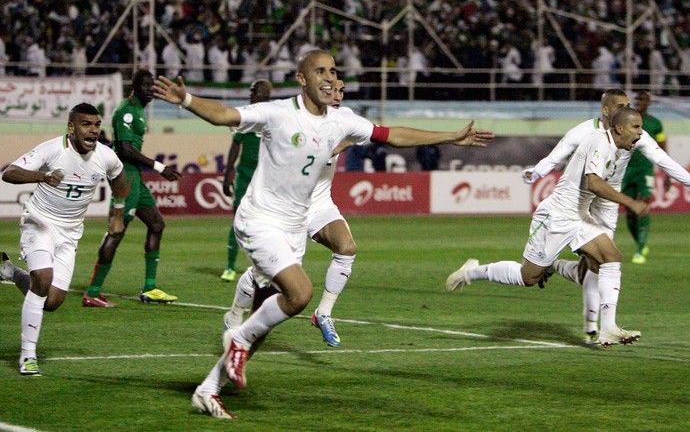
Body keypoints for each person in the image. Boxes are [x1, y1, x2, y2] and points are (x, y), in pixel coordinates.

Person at [152, 49, 494, 419]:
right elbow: (224, 115)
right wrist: (184, 99)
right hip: (260, 220)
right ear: (302, 79)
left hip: (296, 227)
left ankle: (209, 387)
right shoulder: (278, 113)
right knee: (300, 293)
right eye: (320, 71)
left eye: (333, 69)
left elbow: (392, 135)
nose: (329, 77)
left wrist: (450, 136)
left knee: (266, 321)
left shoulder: (342, 121)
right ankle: (239, 334)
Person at [446, 106, 649, 348]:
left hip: (579, 217)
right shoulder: (598, 142)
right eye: (636, 127)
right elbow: (593, 183)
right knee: (528, 277)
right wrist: (630, 203)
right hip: (555, 217)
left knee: (610, 257)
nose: (640, 132)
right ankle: (472, 272)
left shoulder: (614, 150)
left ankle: (608, 329)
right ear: (619, 128)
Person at [520, 89, 690, 344]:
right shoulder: (586, 133)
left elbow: (664, 161)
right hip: (583, 194)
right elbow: (559, 153)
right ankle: (593, 325)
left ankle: (596, 327)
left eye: (627, 104)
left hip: (607, 199)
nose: (625, 109)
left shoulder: (634, 132)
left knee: (602, 263)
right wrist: (536, 172)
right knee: (598, 261)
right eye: (620, 105)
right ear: (606, 111)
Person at [223, 71, 355, 348]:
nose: (338, 96)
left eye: (341, 91)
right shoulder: (299, 119)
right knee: (265, 273)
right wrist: (336, 145)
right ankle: (234, 318)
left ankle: (324, 313)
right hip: (288, 207)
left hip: (319, 204)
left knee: (346, 247)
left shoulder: (346, 118)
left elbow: (387, 135)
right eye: (332, 90)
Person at [0, 103, 128, 376]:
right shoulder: (52, 149)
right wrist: (42, 176)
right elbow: (9, 172)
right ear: (71, 128)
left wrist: (118, 213)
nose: (93, 130)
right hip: (39, 223)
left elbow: (119, 178)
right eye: (86, 124)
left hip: (70, 234)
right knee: (43, 279)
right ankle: (28, 355)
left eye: (96, 124)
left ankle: (9, 271)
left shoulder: (105, 156)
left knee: (52, 301)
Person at [82, 69, 182, 308]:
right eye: (145, 84)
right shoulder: (127, 110)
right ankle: (93, 292)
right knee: (117, 230)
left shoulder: (139, 110)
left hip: (134, 174)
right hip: (124, 174)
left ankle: (150, 288)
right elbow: (125, 150)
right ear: (135, 87)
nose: (150, 88)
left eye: (152, 84)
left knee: (156, 224)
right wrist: (159, 167)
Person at [220, 79, 273, 282]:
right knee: (237, 219)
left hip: (266, 177)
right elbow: (235, 145)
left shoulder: (274, 115)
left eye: (254, 92)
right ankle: (230, 267)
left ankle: (264, 266)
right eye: (251, 92)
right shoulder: (246, 115)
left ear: (264, 95)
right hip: (244, 175)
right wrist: (228, 173)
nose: (251, 95)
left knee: (267, 222)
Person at [622, 91, 671, 264]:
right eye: (637, 99)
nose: (639, 102)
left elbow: (662, 149)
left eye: (642, 99)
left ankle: (640, 249)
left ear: (649, 102)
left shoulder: (655, 123)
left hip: (645, 170)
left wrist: (667, 174)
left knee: (642, 205)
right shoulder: (627, 121)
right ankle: (640, 244)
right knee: (629, 210)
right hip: (626, 171)